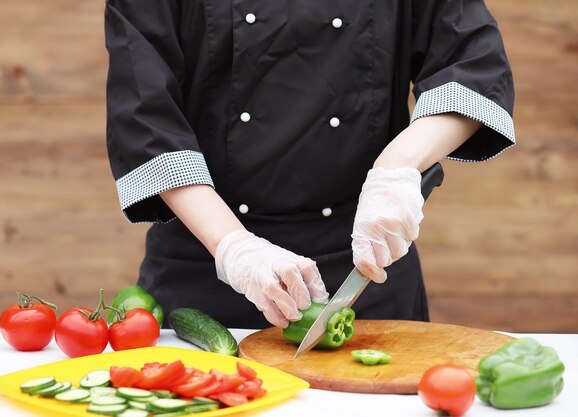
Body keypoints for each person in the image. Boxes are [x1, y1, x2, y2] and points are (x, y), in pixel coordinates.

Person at [104, 0, 515, 329]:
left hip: (364, 270)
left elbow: (473, 66)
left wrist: (396, 168)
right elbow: (146, 114)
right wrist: (236, 249)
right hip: (204, 273)